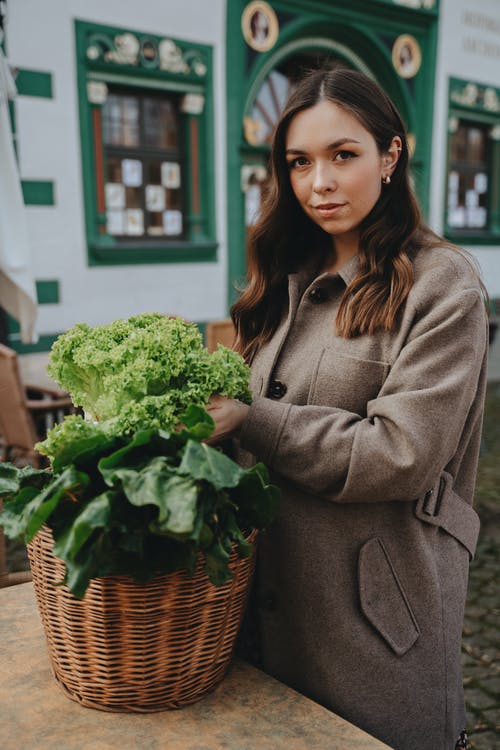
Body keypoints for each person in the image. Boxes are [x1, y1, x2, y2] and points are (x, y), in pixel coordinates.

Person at [207, 67, 488, 750]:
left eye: (343, 155)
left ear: (391, 156)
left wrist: (252, 418)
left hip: (375, 627)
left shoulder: (442, 286)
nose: (318, 184)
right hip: (263, 609)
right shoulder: (283, 277)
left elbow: (402, 455)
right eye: (299, 163)